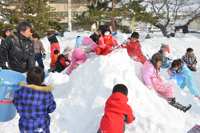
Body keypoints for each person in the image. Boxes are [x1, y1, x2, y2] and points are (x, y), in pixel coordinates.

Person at [13, 67, 56, 133]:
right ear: (42, 81)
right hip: (42, 126)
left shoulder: (18, 93)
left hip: (25, 127)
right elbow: (51, 108)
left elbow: (16, 105)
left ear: (27, 79)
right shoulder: (47, 94)